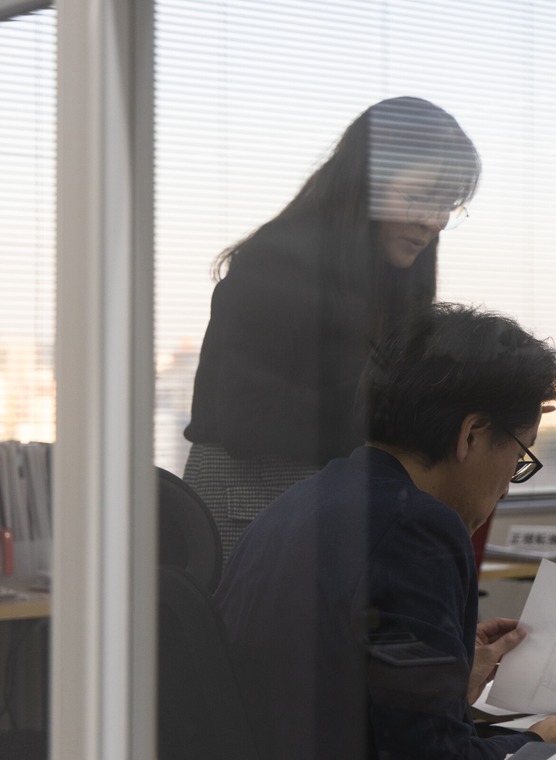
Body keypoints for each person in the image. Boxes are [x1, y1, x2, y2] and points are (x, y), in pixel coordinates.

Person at [215, 303, 556, 760]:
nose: (506, 488)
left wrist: (447, 683)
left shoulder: (307, 501)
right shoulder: (415, 528)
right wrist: (542, 740)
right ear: (473, 435)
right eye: (520, 458)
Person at [183, 96, 481, 563]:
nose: (433, 221)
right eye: (420, 197)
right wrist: (403, 415)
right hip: (250, 505)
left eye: (449, 205)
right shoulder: (280, 260)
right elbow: (248, 417)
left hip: (325, 504)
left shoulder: (390, 270)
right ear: (367, 181)